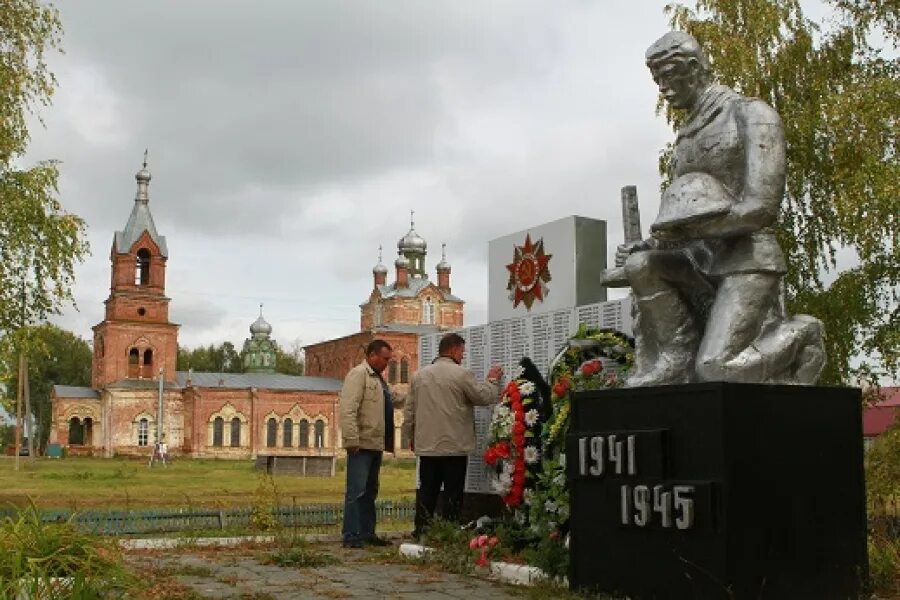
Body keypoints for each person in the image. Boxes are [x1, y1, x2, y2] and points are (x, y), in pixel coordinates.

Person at [615, 31, 825, 386]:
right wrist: (650, 244)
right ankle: (675, 357)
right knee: (641, 265)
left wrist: (698, 230)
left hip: (747, 259)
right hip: (699, 258)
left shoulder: (751, 114)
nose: (663, 89)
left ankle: (803, 333)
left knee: (716, 368)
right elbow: (686, 213)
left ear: (694, 67)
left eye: (669, 76)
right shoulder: (686, 136)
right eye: (657, 80)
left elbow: (762, 207)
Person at [403, 333, 502, 539]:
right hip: (454, 446)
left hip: (427, 446)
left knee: (427, 491)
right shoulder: (461, 374)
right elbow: (483, 397)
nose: (463, 356)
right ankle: (449, 533)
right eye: (462, 351)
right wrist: (492, 380)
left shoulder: (419, 376)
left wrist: (410, 436)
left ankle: (421, 530)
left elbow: (410, 411)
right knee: (453, 492)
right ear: (454, 349)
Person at [340, 339, 395, 548]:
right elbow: (348, 409)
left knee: (370, 492)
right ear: (372, 355)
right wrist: (351, 439)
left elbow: (392, 400)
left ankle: (367, 533)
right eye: (384, 359)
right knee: (356, 491)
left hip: (375, 444)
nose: (387, 364)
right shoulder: (358, 375)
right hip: (361, 444)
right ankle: (352, 535)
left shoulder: (378, 380)